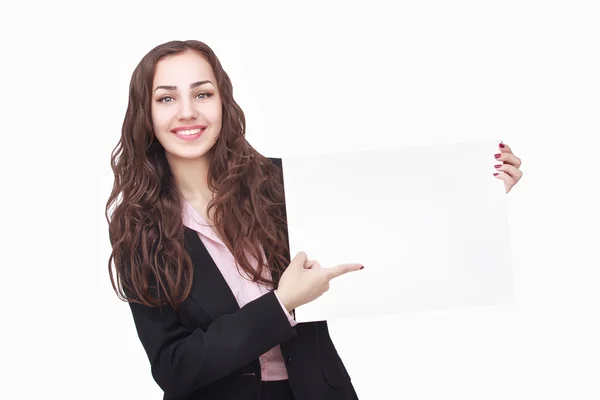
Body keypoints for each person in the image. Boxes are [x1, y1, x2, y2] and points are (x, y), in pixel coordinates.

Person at [106, 40, 524, 400]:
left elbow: (383, 226)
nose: (186, 112)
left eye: (202, 94)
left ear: (223, 102)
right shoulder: (138, 228)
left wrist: (477, 195)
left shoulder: (281, 183)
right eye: (166, 98)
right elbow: (174, 366)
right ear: (146, 114)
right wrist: (281, 304)